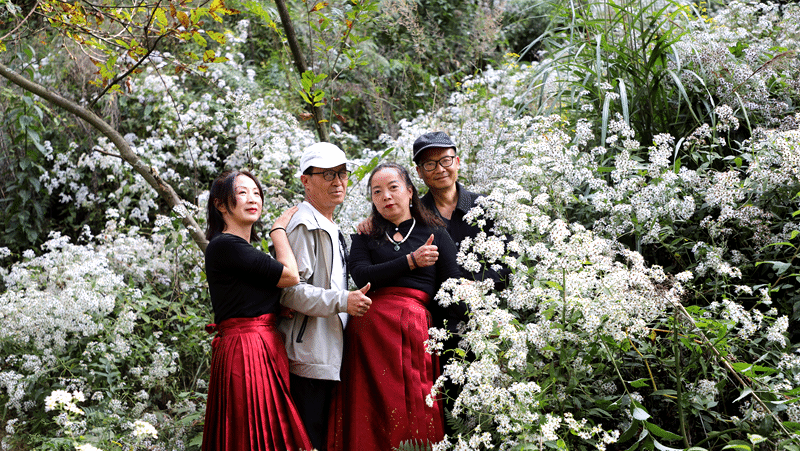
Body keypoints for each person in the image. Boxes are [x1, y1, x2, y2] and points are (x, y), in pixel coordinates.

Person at [328, 162, 462, 450]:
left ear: (410, 192)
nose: (386, 196)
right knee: (369, 404)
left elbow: (453, 288)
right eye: (377, 191)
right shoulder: (366, 235)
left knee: (412, 402)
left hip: (413, 328)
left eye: (393, 187)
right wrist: (410, 261)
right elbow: (361, 274)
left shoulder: (435, 233)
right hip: (367, 331)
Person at [202, 169, 312, 451]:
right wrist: (278, 231)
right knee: (253, 434)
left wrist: (275, 308)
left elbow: (245, 296)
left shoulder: (239, 249)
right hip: (246, 349)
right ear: (220, 204)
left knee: (267, 433)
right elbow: (290, 275)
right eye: (242, 192)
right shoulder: (225, 245)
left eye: (256, 192)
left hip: (257, 344)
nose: (252, 199)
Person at [279, 142, 373, 451]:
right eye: (328, 174)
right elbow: (290, 291)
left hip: (327, 353)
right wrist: (344, 301)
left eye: (343, 174)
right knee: (308, 438)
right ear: (305, 180)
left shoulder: (329, 224)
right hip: (308, 356)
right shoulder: (304, 225)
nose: (338, 182)